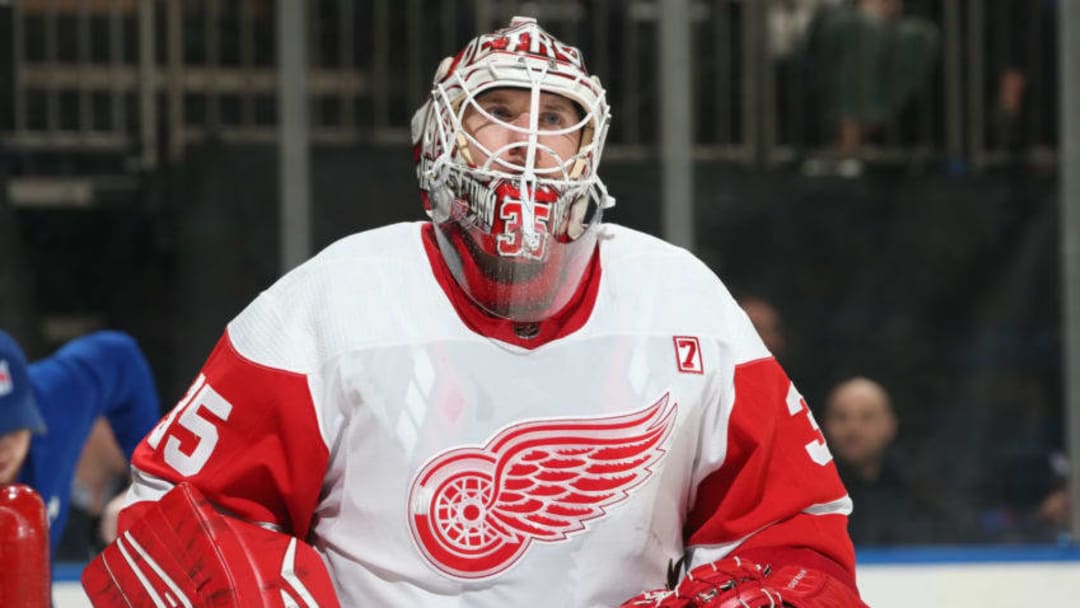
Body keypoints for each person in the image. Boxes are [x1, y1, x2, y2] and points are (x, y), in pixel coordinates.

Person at [84, 17, 867, 607]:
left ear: (588, 151)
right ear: (436, 140)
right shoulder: (333, 299)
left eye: (555, 119)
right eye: (496, 109)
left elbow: (799, 537)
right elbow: (170, 522)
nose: (527, 141)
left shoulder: (683, 300)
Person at [0, 329, 160, 556]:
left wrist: (149, 482)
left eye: (14, 429)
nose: (3, 450)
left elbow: (120, 356)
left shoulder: (53, 401)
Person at [821, 376, 942, 544]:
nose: (853, 428)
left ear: (890, 425)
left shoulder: (921, 493)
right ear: (825, 425)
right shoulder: (810, 496)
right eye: (841, 417)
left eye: (867, 417)